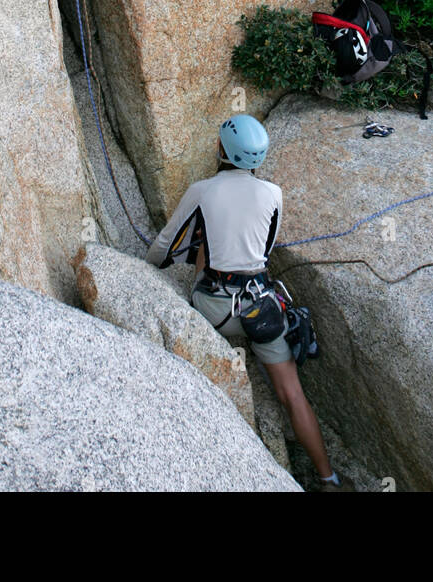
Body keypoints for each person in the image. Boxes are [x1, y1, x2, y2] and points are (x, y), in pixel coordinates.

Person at [146, 114, 354, 491]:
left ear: (223, 150)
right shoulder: (273, 193)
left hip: (216, 309)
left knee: (205, 244)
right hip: (262, 310)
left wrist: (146, 269)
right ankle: (329, 477)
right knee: (292, 394)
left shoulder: (202, 190)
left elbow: (166, 242)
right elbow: (265, 249)